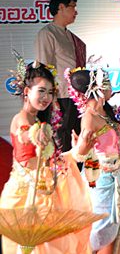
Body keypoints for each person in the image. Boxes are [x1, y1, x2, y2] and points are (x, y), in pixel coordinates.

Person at [1, 60, 93, 254]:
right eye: (41, 91)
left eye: (50, 93)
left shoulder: (39, 121)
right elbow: (24, 135)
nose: (46, 97)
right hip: (27, 199)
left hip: (46, 194)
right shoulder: (23, 119)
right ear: (27, 91)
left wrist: (77, 151)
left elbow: (52, 162)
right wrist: (34, 135)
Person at [66, 68, 120, 254]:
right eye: (107, 83)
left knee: (112, 230)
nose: (111, 86)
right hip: (101, 177)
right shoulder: (89, 118)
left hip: (115, 177)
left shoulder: (104, 112)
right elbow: (80, 152)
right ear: (97, 88)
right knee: (101, 231)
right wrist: (79, 149)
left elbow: (116, 143)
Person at [35, 0, 86, 153]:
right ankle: (63, 178)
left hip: (75, 97)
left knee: (78, 142)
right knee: (63, 143)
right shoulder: (47, 33)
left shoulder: (70, 36)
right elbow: (44, 69)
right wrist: (53, 99)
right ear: (61, 7)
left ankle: (76, 177)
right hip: (60, 98)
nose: (76, 12)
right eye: (73, 7)